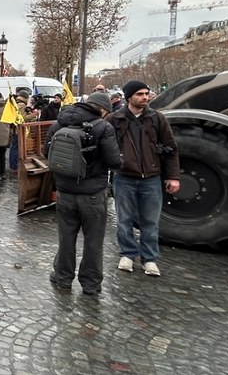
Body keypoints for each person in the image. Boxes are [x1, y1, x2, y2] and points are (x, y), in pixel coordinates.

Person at [46, 92, 122, 295]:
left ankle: (62, 277)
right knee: (93, 241)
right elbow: (114, 161)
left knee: (66, 238)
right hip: (92, 193)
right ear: (103, 110)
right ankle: (90, 284)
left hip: (64, 191)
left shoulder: (59, 123)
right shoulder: (103, 127)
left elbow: (47, 153)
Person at [107, 79, 180, 277]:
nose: (145, 97)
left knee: (150, 221)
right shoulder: (115, 119)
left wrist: (173, 177)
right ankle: (127, 254)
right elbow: (104, 146)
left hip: (151, 179)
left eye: (147, 94)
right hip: (124, 178)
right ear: (129, 97)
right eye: (140, 94)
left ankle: (149, 259)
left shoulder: (157, 118)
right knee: (124, 219)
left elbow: (171, 148)